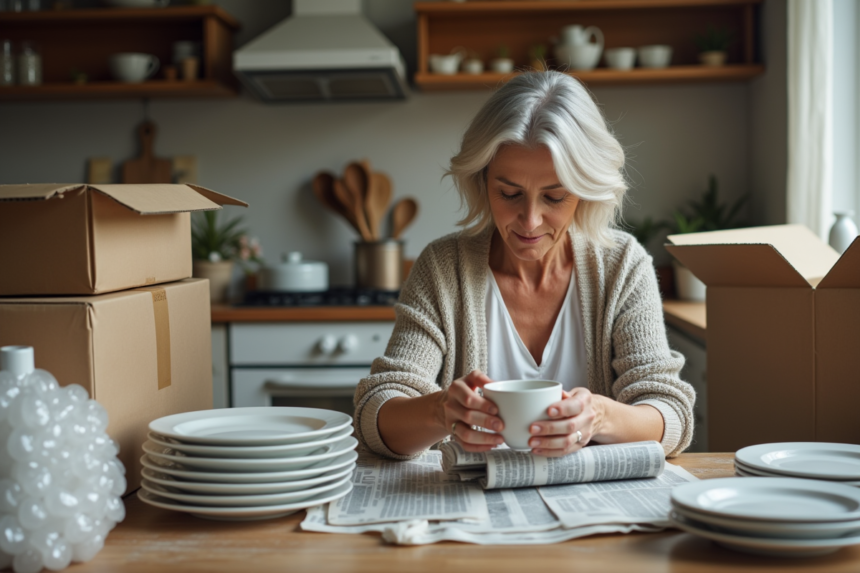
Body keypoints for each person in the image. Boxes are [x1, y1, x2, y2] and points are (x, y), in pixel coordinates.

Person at [354, 71, 695, 460]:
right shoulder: (443, 269)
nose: (530, 221)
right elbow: (376, 412)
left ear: (584, 191)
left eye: (554, 197)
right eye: (509, 193)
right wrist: (439, 411)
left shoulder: (622, 267)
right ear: (482, 182)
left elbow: (671, 414)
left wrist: (600, 417)